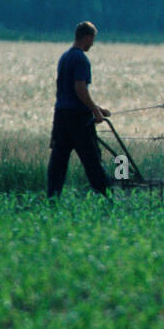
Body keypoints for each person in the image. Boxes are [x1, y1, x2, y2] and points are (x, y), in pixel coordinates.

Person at [46, 21, 112, 197]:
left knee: (58, 159)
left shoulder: (65, 57)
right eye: (93, 39)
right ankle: (106, 196)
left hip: (61, 116)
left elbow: (69, 91)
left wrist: (97, 108)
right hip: (78, 119)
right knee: (92, 159)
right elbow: (80, 89)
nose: (93, 44)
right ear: (87, 37)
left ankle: (52, 196)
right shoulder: (81, 59)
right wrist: (95, 112)